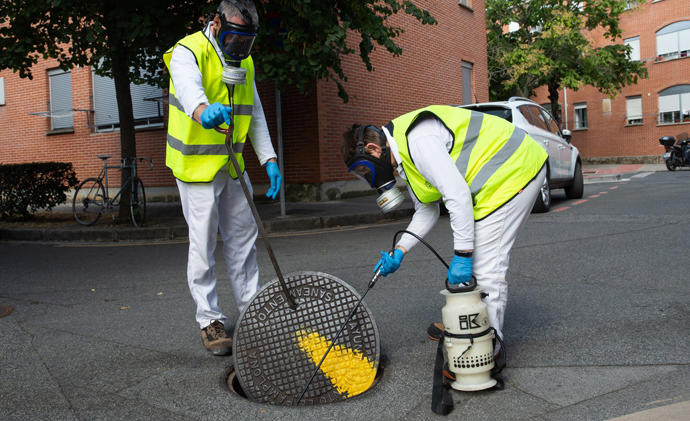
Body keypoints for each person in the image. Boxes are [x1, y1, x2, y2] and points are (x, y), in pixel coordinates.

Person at [341, 105, 548, 353]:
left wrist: (462, 256)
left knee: (485, 265)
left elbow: (457, 196)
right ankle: (467, 327)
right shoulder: (405, 159)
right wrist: (400, 250)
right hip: (496, 180)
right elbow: (427, 210)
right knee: (473, 260)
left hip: (516, 168)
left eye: (364, 170)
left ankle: (487, 349)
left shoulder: (418, 140)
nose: (368, 179)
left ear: (374, 149)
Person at [163, 0, 281, 356]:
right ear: (215, 23)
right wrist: (202, 110)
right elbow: (187, 89)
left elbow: (255, 110)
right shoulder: (188, 50)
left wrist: (269, 157)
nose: (239, 48)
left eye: (246, 41)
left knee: (244, 240)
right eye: (234, 38)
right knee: (202, 244)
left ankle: (250, 309)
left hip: (232, 166)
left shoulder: (244, 62)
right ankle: (209, 320)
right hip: (196, 167)